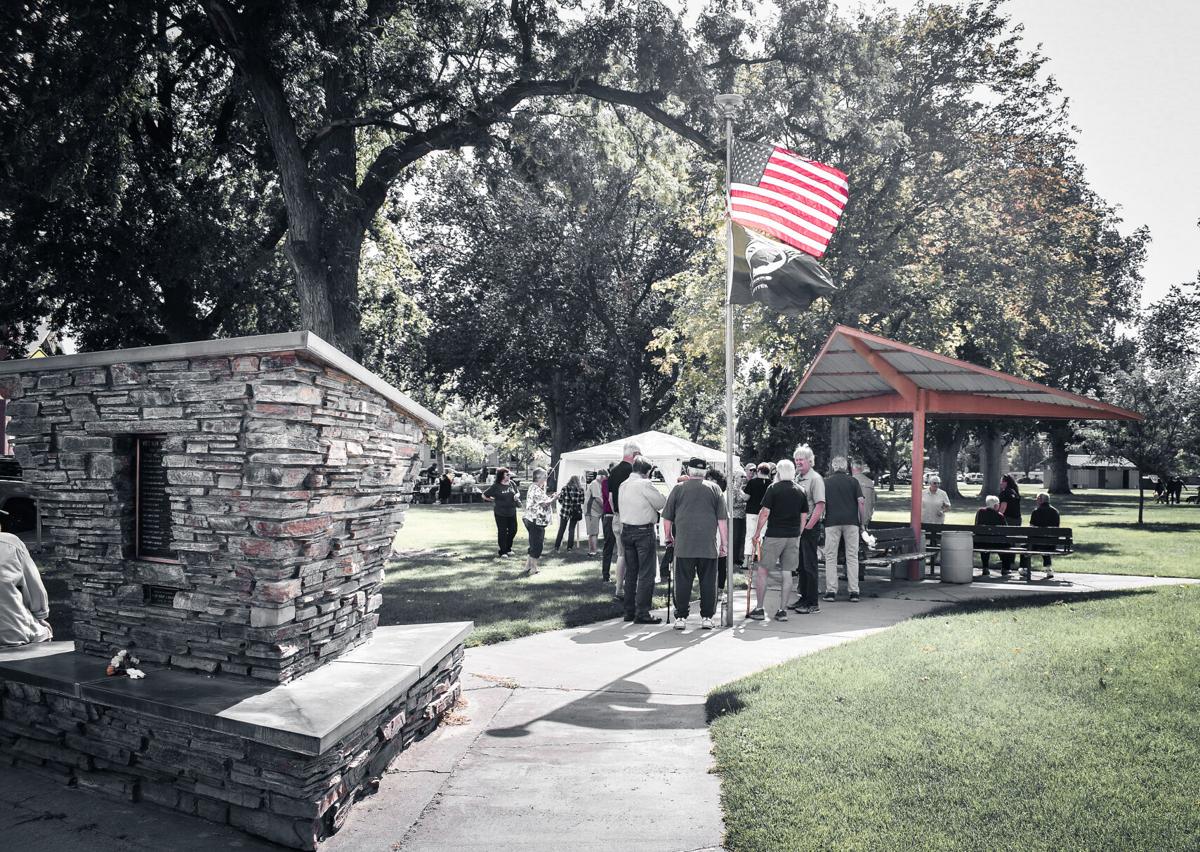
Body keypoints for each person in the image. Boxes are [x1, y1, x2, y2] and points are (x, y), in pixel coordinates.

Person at [662, 458, 728, 630]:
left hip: (684, 545)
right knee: (708, 582)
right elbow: (722, 520)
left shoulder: (678, 489)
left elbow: (667, 517)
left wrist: (668, 537)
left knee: (682, 582)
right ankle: (707, 617)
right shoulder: (715, 489)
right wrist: (724, 544)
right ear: (705, 471)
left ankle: (681, 617)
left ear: (688, 470)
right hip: (708, 545)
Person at [749, 459, 807, 621]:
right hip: (793, 536)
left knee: (762, 571)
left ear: (779, 473)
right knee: (787, 573)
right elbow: (803, 517)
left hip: (775, 535)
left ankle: (760, 609)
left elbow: (765, 512)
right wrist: (799, 534)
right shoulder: (801, 490)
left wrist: (757, 533)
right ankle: (782, 611)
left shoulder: (773, 488)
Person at [618, 457, 667, 624]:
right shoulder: (645, 484)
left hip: (627, 529)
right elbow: (661, 503)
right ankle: (643, 612)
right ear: (647, 471)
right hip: (643, 530)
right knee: (646, 573)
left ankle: (629, 610)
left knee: (631, 572)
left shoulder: (623, 484)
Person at [0, 521, 52, 647]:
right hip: (12, 636)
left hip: (11, 632)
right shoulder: (10, 543)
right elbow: (36, 592)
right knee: (44, 631)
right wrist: (40, 615)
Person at [822, 456, 864, 603]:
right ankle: (854, 591)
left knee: (831, 556)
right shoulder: (854, 481)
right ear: (846, 467)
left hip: (832, 521)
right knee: (852, 556)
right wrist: (862, 522)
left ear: (833, 467)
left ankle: (831, 591)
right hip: (851, 522)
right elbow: (861, 503)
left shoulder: (826, 482)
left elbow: (822, 503)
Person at [790, 444, 825, 614]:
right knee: (801, 566)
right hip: (798, 527)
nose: (798, 462)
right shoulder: (797, 477)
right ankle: (803, 598)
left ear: (810, 461)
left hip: (809, 527)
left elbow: (820, 506)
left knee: (810, 566)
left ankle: (813, 603)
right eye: (796, 459)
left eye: (801, 459)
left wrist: (808, 527)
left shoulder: (815, 479)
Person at [608, 442, 639, 600]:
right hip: (629, 518)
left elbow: (610, 498)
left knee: (621, 555)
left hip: (617, 517)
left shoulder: (613, 471)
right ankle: (631, 590)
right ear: (634, 454)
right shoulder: (632, 471)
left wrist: (616, 512)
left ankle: (619, 589)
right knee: (633, 555)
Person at [521, 468, 557, 576]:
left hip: (533, 519)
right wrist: (555, 498)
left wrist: (550, 497)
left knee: (533, 543)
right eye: (544, 476)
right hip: (535, 521)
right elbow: (544, 504)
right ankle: (534, 568)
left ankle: (527, 566)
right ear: (537, 477)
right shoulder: (536, 489)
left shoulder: (535, 488)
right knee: (537, 545)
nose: (546, 478)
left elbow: (543, 500)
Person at [481, 467, 520, 558]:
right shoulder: (496, 486)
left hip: (512, 511)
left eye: (509, 474)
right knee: (502, 532)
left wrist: (517, 495)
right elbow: (484, 495)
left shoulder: (512, 483)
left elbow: (517, 492)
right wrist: (491, 500)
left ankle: (508, 548)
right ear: (502, 476)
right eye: (507, 474)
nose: (509, 476)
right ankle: (503, 551)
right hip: (500, 513)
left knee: (513, 530)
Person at [1023, 491, 1060, 580]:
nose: (1036, 500)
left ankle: (1024, 568)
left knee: (1025, 546)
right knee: (1045, 543)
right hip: (1051, 544)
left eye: (1037, 499)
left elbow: (1031, 529)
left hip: (1036, 543)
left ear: (1040, 500)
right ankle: (1048, 569)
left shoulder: (1036, 511)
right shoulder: (1055, 512)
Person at [743, 463, 771, 564]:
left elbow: (746, 497)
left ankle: (746, 561)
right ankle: (757, 558)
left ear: (758, 471)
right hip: (765, 513)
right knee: (761, 535)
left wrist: (740, 492)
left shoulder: (752, 482)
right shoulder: (771, 484)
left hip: (752, 512)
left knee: (749, 535)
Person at [974, 495, 1007, 576]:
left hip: (981, 542)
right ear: (995, 505)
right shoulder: (1000, 516)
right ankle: (1005, 568)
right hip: (997, 543)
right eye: (998, 504)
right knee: (1006, 544)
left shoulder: (980, 512)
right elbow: (1005, 530)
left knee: (984, 544)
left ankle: (985, 567)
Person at [731, 464, 755, 576]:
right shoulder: (733, 489)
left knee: (741, 537)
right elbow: (732, 504)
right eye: (741, 477)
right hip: (735, 516)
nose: (744, 479)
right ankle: (733, 558)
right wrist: (745, 504)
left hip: (743, 516)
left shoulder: (743, 488)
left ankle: (739, 557)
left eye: (744, 477)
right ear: (736, 477)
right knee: (735, 537)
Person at [997, 474, 1022, 575]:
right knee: (1012, 540)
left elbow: (1003, 508)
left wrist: (997, 517)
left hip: (1007, 519)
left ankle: (1006, 560)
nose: (1000, 483)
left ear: (1006, 482)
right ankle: (1010, 559)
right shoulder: (1014, 492)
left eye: (1001, 481)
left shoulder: (1005, 493)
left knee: (1003, 540)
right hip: (1017, 519)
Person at [554, 475, 585, 552]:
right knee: (571, 529)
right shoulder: (580, 490)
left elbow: (561, 500)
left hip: (565, 511)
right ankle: (569, 548)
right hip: (575, 512)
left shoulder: (565, 488)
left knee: (561, 529)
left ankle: (557, 546)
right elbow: (582, 501)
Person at [600, 469, 616, 583]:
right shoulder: (606, 482)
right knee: (608, 546)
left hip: (612, 515)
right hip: (610, 515)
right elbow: (609, 497)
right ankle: (605, 574)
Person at [583, 470, 604, 557]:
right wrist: (607, 508)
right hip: (591, 511)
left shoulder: (598, 484)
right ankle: (593, 552)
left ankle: (592, 551)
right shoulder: (595, 483)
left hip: (596, 510)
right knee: (593, 532)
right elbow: (598, 498)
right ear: (602, 476)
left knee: (594, 532)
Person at [852, 463, 876, 528]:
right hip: (866, 517)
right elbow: (873, 502)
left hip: (852, 519)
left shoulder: (850, 480)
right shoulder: (870, 482)